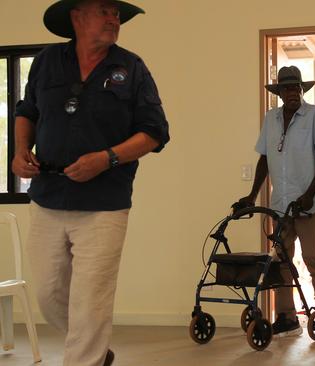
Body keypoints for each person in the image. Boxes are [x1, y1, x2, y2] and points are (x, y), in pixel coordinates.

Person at [12, 1, 170, 365]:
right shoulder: (47, 61)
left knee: (91, 299)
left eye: (117, 13)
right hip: (47, 197)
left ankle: (88, 355)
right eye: (105, 10)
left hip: (104, 204)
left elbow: (154, 133)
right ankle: (96, 348)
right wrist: (21, 150)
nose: (114, 18)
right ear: (77, 16)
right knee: (49, 297)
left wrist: (107, 158)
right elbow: (26, 111)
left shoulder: (132, 68)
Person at [237, 65, 315, 336]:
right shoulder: (271, 119)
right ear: (279, 93)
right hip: (280, 203)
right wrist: (252, 195)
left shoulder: (314, 115)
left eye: (296, 87)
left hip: (307, 203)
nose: (292, 92)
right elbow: (265, 159)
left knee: (312, 257)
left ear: (302, 90)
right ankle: (287, 315)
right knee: (281, 260)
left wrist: (308, 194)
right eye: (286, 88)